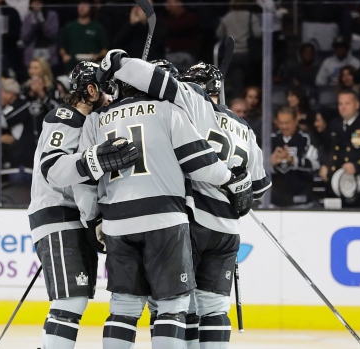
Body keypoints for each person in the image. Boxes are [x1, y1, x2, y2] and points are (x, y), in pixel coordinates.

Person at [75, 52, 254, 349]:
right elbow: (198, 162)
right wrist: (231, 180)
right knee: (171, 307)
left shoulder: (96, 119)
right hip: (165, 218)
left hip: (116, 222)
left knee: (124, 307)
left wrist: (91, 219)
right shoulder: (167, 110)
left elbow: (85, 177)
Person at [28, 61, 137, 349]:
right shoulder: (64, 117)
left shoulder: (89, 122)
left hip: (75, 216)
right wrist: (96, 159)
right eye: (107, 91)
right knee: (71, 300)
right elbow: (52, 170)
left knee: (76, 299)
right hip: (57, 215)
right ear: (91, 90)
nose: (112, 98)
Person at [320, 89, 360, 207]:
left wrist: (357, 167)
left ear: (357, 105)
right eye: (340, 104)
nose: (343, 107)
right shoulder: (334, 124)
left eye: (347, 103)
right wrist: (325, 164)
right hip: (334, 187)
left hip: (359, 188)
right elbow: (326, 149)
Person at [270, 106, 320, 207]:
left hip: (301, 200)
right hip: (275, 201)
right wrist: (270, 163)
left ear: (295, 121)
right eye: (281, 123)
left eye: (287, 123)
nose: (284, 126)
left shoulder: (305, 139)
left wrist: (292, 160)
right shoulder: (271, 139)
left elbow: (315, 164)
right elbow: (257, 168)